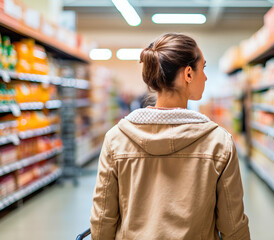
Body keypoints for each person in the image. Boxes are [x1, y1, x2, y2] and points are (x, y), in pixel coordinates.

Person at [90, 33, 250, 240]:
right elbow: (233, 226)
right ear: (189, 74)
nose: (206, 77)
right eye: (204, 68)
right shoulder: (219, 143)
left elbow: (102, 220)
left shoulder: (116, 139)